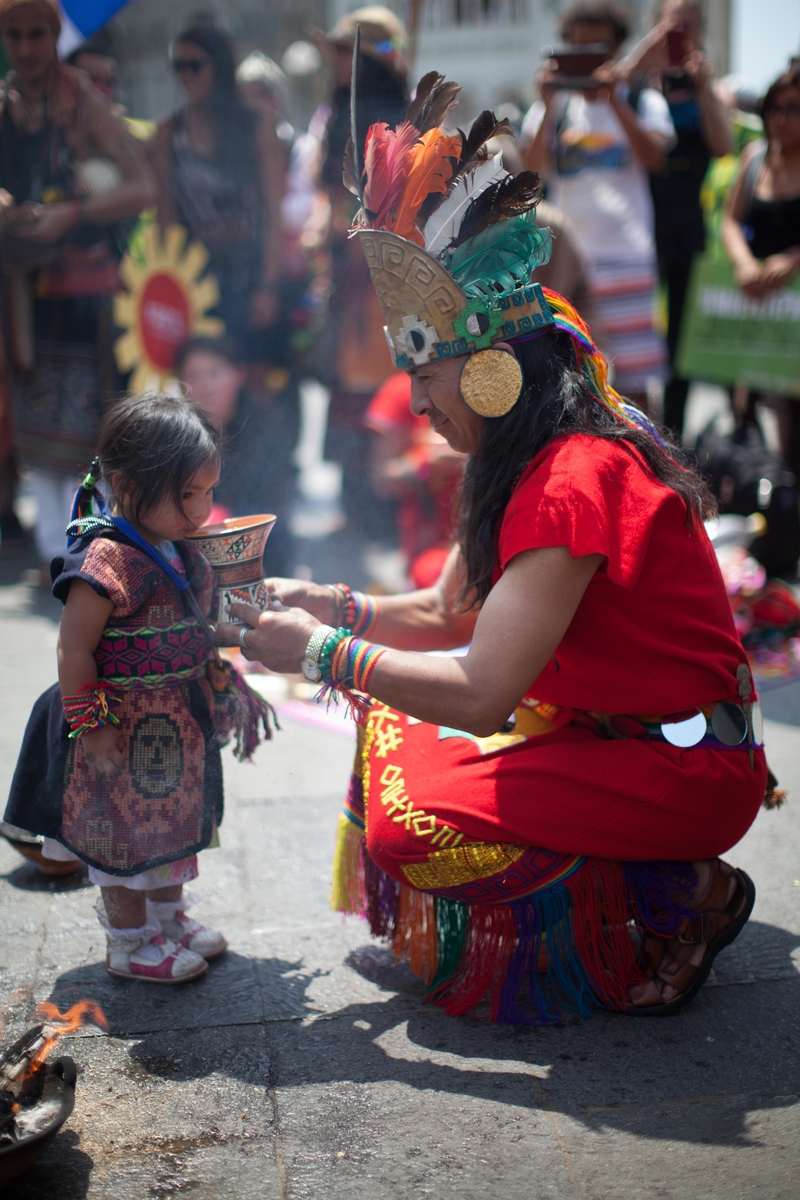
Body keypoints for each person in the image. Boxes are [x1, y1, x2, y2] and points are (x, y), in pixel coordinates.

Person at [219, 75, 773, 1023]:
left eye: (426, 376)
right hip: (608, 731)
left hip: (679, 771)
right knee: (393, 735)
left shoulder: (571, 477)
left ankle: (689, 891)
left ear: (489, 368)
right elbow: (447, 613)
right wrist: (332, 605)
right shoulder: (514, 455)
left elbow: (480, 691)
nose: (415, 402)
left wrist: (319, 655)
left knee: (411, 826)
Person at [5, 394, 272, 982]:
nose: (201, 510)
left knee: (176, 825)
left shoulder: (181, 549)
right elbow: (73, 649)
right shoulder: (105, 561)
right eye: (186, 495)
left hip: (177, 724)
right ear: (127, 484)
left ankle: (168, 918)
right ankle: (129, 942)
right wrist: (92, 726)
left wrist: (245, 623)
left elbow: (199, 621)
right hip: (119, 729)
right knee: (122, 837)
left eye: (207, 492)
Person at [0, 0, 156, 568]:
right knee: (33, 426)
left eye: (36, 34)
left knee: (90, 432)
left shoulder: (84, 103)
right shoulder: (5, 105)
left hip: (87, 296)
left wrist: (72, 214)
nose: (26, 49)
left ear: (53, 34)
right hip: (24, 293)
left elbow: (142, 187)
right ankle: (57, 558)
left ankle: (97, 558)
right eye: (14, 36)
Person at [521, 0, 675, 412]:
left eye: (597, 51)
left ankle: (641, 451)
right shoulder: (553, 107)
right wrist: (548, 104)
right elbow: (530, 173)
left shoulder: (642, 100)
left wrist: (614, 100)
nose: (587, 61)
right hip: (567, 264)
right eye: (577, 49)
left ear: (617, 49)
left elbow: (655, 158)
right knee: (569, 378)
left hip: (627, 258)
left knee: (635, 382)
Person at [312, 7, 409, 538]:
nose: (332, 64)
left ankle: (379, 508)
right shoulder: (351, 111)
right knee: (356, 384)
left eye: (340, 54)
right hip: (362, 270)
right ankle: (364, 508)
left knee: (377, 382)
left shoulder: (381, 115)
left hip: (378, 271)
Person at [618, 0, 732, 440]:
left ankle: (674, 434)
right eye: (671, 23)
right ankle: (633, 427)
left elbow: (723, 147)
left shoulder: (707, 86)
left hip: (686, 223)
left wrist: (704, 88)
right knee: (633, 332)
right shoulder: (639, 85)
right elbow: (608, 87)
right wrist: (647, 51)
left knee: (681, 338)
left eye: (687, 24)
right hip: (639, 220)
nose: (678, 31)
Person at [150, 23, 284, 361]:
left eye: (194, 65)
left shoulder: (257, 125)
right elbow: (165, 216)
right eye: (177, 67)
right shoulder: (169, 131)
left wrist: (269, 286)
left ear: (219, 66)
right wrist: (166, 289)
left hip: (249, 279)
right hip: (194, 283)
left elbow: (274, 214)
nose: (185, 76)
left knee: (248, 376)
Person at [721, 64, 800, 478]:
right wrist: (744, 263)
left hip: (794, 304)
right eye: (775, 109)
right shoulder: (754, 157)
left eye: (793, 108)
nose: (782, 119)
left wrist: (793, 260)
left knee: (793, 412)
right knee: (744, 404)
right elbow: (730, 220)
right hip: (755, 300)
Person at [175, 335, 296, 576]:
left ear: (239, 374)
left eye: (214, 373)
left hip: (260, 539)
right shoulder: (177, 429)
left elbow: (257, 490)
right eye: (193, 376)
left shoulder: (264, 420)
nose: (205, 386)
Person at [365, 372, 465, 589]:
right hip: (431, 544)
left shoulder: (487, 381)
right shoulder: (401, 390)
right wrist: (426, 465)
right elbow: (382, 479)